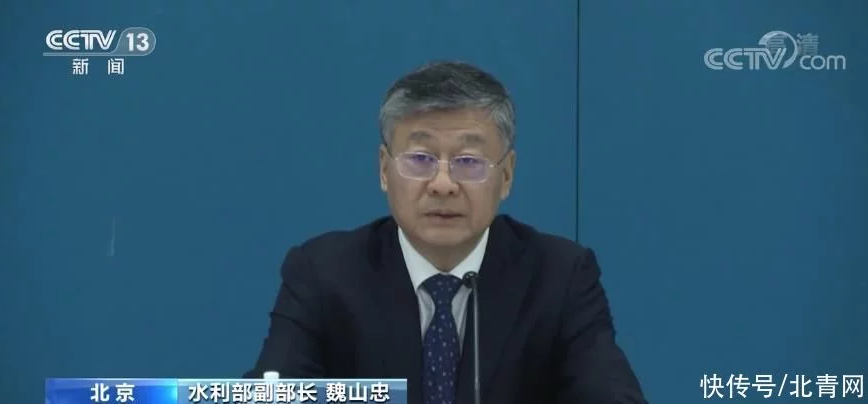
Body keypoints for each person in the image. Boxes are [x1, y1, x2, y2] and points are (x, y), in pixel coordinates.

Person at [244, 61, 647, 403]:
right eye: (420, 158)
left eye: (468, 161)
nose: (442, 184)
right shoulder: (324, 274)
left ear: (506, 176)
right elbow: (272, 392)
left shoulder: (560, 277)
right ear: (384, 170)